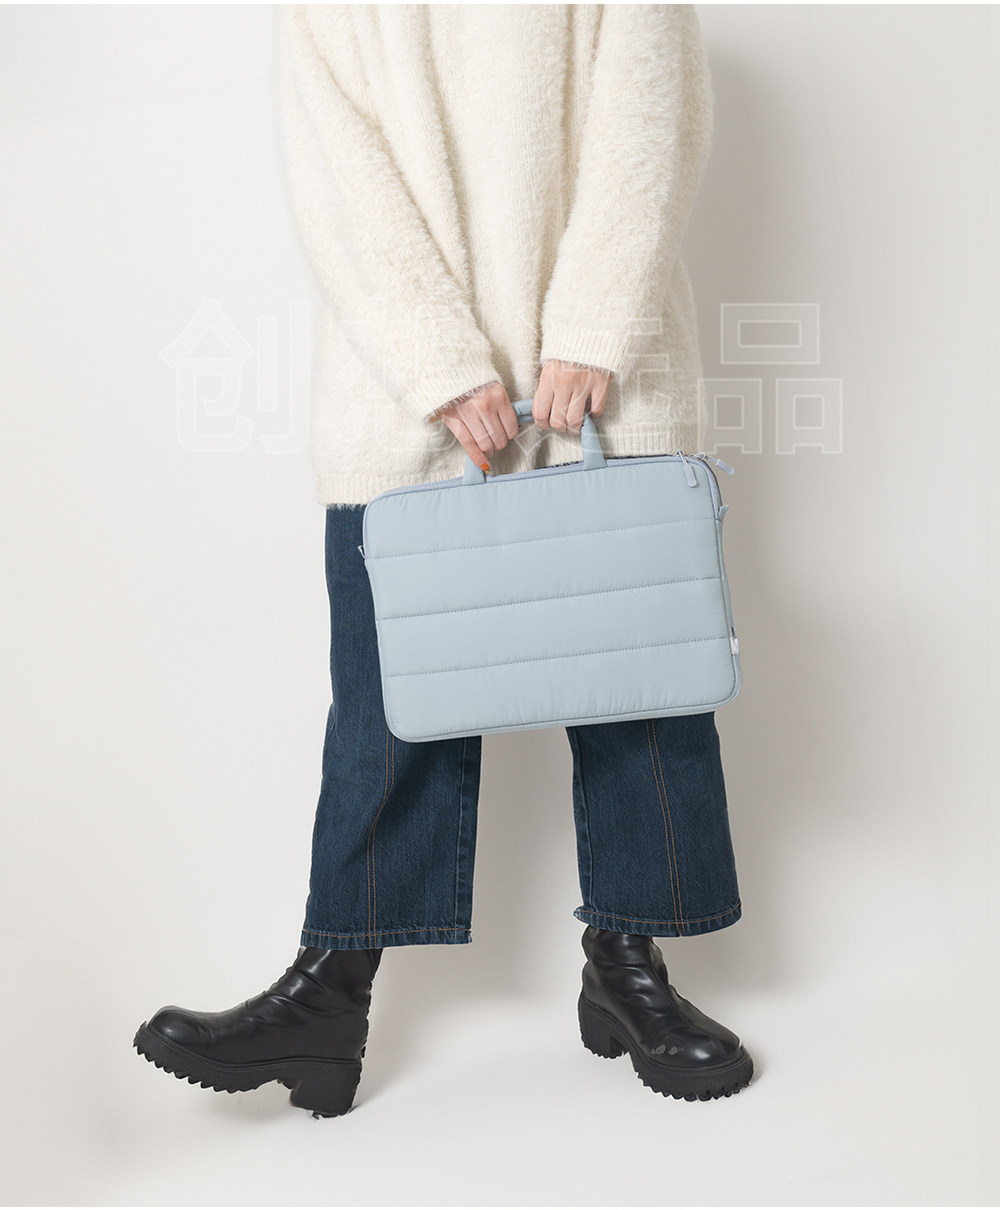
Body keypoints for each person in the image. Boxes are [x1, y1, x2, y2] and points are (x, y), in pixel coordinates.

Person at [133, 3, 753, 1117]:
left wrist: (593, 326)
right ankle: (332, 991)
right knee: (386, 708)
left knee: (641, 694)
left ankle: (629, 969)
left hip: (604, 384)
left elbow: (650, 127)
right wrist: (439, 362)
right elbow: (341, 182)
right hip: (406, 398)